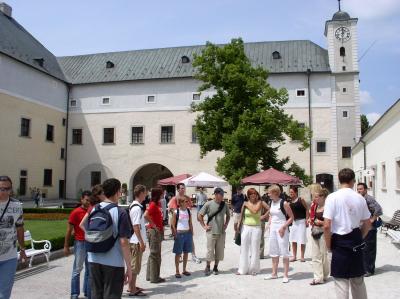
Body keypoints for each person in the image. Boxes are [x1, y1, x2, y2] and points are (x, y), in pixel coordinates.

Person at [323, 168, 371, 299]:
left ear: (339, 180)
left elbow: (326, 226)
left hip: (339, 240)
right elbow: (368, 224)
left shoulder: (332, 197)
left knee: (341, 281)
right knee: (358, 280)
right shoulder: (359, 198)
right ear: (353, 181)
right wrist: (360, 237)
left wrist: (328, 246)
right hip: (355, 237)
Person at [87, 178, 133, 299]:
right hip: (113, 262)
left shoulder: (94, 209)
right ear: (118, 192)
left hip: (93, 259)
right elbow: (124, 242)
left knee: (96, 295)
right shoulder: (120, 212)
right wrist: (129, 267)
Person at [0, 176, 27, 299]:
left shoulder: (16, 206)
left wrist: (22, 249)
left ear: (11, 189)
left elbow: (20, 228)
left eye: (7, 189)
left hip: (9, 257)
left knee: (4, 294)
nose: (4, 192)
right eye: (1, 188)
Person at [64, 190, 92, 299]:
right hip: (80, 242)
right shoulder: (76, 212)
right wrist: (66, 246)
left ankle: (88, 292)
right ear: (82, 200)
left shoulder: (91, 211)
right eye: (86, 200)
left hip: (90, 243)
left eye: (90, 200)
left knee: (89, 270)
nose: (88, 202)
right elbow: (69, 230)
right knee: (77, 269)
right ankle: (74, 294)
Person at [264, 184, 294, 283]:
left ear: (275, 193)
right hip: (273, 229)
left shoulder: (284, 203)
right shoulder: (271, 202)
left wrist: (283, 227)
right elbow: (272, 215)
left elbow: (291, 217)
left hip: (282, 228)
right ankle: (274, 273)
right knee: (273, 251)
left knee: (284, 251)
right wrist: (268, 225)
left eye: (269, 193)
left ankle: (285, 275)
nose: (268, 194)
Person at [198, 187, 230, 276]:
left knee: (219, 251)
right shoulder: (208, 204)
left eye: (223, 194)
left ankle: (215, 267)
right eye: (221, 194)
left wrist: (226, 224)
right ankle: (208, 266)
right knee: (210, 251)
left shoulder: (225, 205)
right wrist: (204, 226)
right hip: (211, 231)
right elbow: (200, 215)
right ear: (216, 194)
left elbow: (228, 215)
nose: (223, 196)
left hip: (221, 232)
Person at [237, 188, 269, 275]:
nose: (253, 195)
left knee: (255, 248)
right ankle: (242, 269)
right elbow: (241, 215)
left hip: (256, 228)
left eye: (255, 193)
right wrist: (238, 225)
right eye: (251, 194)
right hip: (245, 227)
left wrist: (264, 216)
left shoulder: (260, 202)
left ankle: (254, 269)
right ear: (249, 195)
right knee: (244, 248)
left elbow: (265, 209)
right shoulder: (245, 203)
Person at [168, 183, 201, 264]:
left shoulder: (187, 198)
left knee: (191, 240)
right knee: (179, 241)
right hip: (178, 225)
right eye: (181, 188)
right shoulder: (174, 199)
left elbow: (190, 208)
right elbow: (172, 212)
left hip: (187, 223)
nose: (183, 189)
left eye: (184, 188)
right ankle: (179, 256)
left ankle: (193, 255)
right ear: (178, 189)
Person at [357, 182, 383, 277]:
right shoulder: (361, 199)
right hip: (363, 227)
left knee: (369, 249)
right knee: (364, 249)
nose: (359, 190)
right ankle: (365, 268)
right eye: (358, 189)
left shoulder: (369, 198)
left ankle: (369, 270)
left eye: (361, 189)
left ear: (365, 189)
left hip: (370, 228)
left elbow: (379, 209)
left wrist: (372, 219)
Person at [127, 184, 147, 297]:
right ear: (141, 193)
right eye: (145, 192)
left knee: (134, 265)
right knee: (135, 266)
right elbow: (135, 226)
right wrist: (141, 242)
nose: (146, 194)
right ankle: (132, 289)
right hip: (135, 242)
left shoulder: (136, 206)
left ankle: (131, 286)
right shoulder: (136, 208)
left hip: (135, 240)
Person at [309, 188, 330, 285]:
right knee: (315, 255)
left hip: (324, 232)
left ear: (323, 197)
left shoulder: (328, 207)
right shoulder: (315, 205)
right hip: (315, 231)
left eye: (316, 196)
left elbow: (332, 222)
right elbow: (312, 216)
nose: (314, 198)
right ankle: (318, 277)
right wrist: (311, 220)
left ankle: (325, 275)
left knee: (324, 255)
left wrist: (321, 222)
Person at [144, 187, 165, 283]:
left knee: (154, 254)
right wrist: (153, 225)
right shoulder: (152, 204)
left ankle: (150, 275)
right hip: (154, 231)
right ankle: (154, 277)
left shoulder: (158, 203)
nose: (163, 194)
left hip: (158, 230)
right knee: (155, 254)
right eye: (162, 193)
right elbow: (145, 215)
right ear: (158, 194)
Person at [171, 196, 194, 278]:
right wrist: (175, 233)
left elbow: (190, 222)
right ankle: (177, 271)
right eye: (185, 201)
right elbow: (173, 224)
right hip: (179, 234)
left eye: (187, 201)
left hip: (187, 233)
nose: (187, 202)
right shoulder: (176, 212)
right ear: (180, 203)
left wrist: (192, 231)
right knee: (178, 253)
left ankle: (184, 269)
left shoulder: (188, 211)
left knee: (186, 252)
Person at [288, 186, 309, 262]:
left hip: (301, 221)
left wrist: (307, 220)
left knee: (302, 239)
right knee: (293, 239)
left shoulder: (301, 200)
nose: (291, 194)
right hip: (294, 222)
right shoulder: (290, 202)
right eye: (290, 192)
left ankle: (302, 256)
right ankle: (294, 256)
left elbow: (307, 209)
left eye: (292, 192)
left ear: (296, 192)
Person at [260, 186, 271, 259]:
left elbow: (270, 209)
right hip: (253, 222)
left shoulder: (261, 201)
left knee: (260, 237)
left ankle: (260, 254)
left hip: (260, 220)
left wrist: (264, 216)